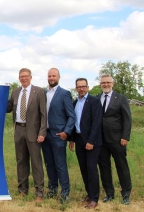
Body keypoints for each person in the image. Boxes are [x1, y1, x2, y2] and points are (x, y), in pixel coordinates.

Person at [6, 68, 47, 203]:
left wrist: (42, 132)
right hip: (19, 130)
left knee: (36, 162)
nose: (23, 78)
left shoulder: (39, 91)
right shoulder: (16, 92)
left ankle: (39, 192)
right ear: (19, 78)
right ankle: (22, 190)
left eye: (26, 76)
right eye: (21, 77)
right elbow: (8, 108)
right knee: (21, 161)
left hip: (34, 132)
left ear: (30, 77)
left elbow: (43, 114)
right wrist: (3, 93)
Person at [97, 74, 132, 205]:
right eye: (103, 83)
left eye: (107, 82)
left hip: (117, 139)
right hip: (101, 140)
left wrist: (125, 136)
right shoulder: (97, 98)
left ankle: (126, 193)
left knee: (121, 166)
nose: (105, 85)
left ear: (113, 84)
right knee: (104, 167)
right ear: (100, 84)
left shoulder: (121, 99)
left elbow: (127, 119)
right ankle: (109, 193)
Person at [42, 68, 75, 204]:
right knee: (49, 164)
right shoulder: (43, 93)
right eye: (49, 76)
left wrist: (66, 132)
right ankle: (52, 189)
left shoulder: (64, 94)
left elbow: (71, 116)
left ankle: (65, 192)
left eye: (53, 76)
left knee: (60, 164)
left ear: (59, 77)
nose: (51, 78)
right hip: (46, 134)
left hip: (58, 135)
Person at [69, 78, 102, 209]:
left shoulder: (94, 101)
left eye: (84, 86)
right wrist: (71, 139)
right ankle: (89, 194)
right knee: (84, 169)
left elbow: (97, 123)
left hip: (91, 141)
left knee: (91, 169)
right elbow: (74, 122)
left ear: (87, 87)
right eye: (79, 87)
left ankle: (94, 199)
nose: (81, 89)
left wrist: (91, 141)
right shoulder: (75, 102)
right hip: (79, 139)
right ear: (76, 88)